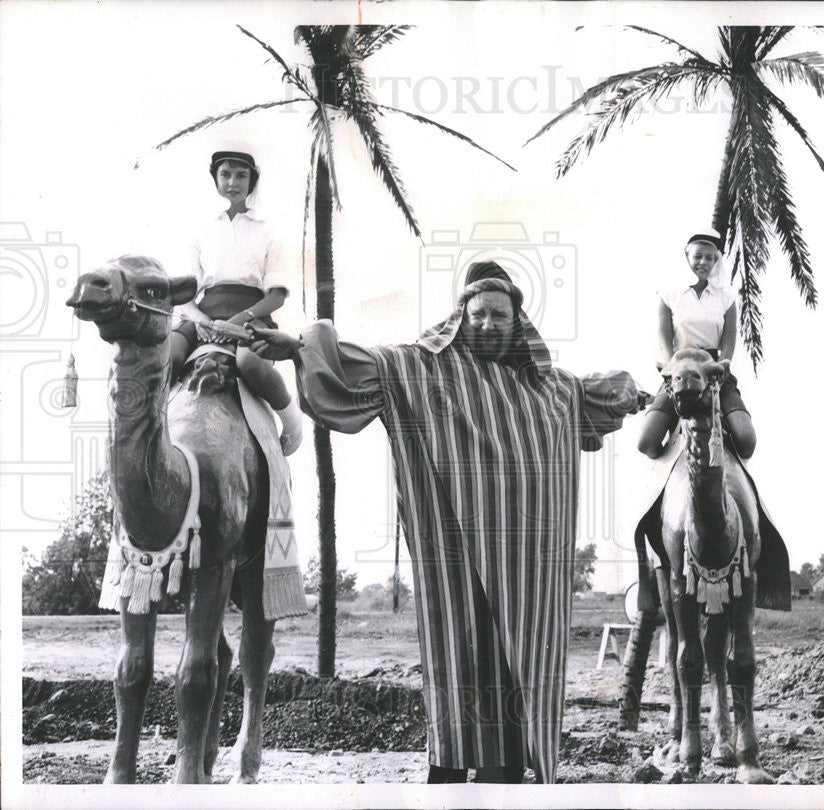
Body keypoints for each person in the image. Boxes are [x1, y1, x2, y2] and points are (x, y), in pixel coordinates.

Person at [251, 261, 649, 783]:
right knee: (458, 654)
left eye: (498, 316)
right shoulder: (424, 368)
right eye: (478, 314)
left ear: (517, 323)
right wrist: (301, 346)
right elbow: (359, 366)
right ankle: (451, 770)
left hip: (527, 572)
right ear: (460, 317)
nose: (487, 324)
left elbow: (600, 395)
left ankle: (506, 772)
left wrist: (639, 393)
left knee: (518, 664)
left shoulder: (548, 389)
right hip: (455, 560)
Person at [170, 149, 302, 455]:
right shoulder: (201, 230)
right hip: (202, 315)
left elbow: (277, 295)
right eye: (226, 174)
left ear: (251, 181)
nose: (233, 182)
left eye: (241, 175)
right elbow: (185, 293)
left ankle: (292, 422)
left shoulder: (268, 230)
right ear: (216, 180)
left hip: (251, 315)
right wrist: (202, 321)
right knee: (169, 357)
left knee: (249, 364)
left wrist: (240, 319)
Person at [636, 230, 756, 460]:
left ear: (716, 260)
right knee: (647, 442)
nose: (704, 262)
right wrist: (672, 369)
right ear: (687, 257)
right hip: (679, 368)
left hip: (713, 370)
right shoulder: (669, 295)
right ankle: (671, 474)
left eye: (710, 258)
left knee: (746, 440)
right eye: (698, 256)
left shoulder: (726, 297)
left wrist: (724, 364)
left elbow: (729, 338)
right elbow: (663, 335)